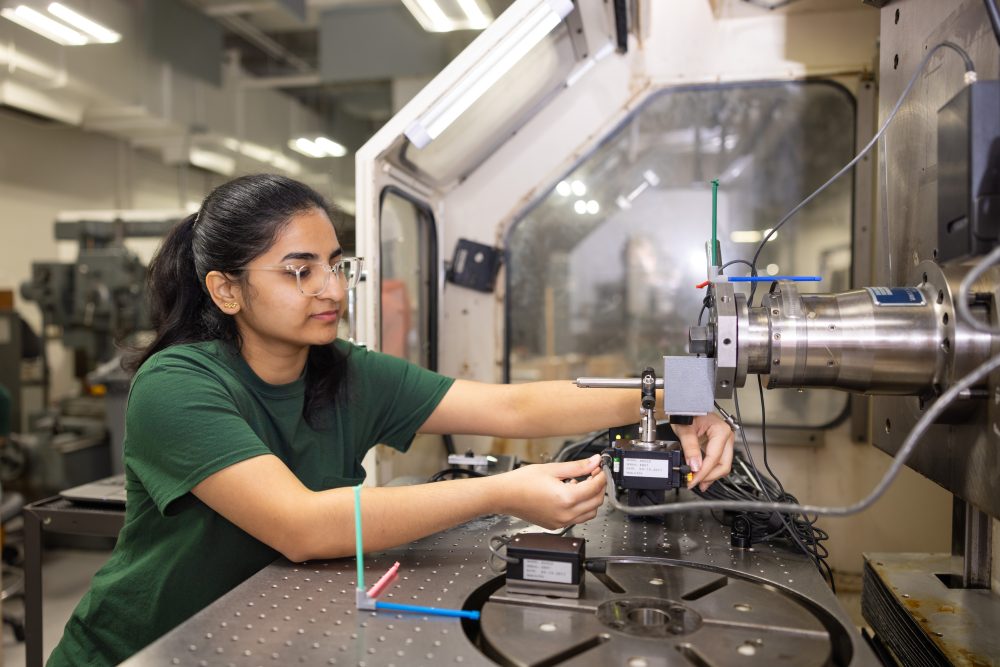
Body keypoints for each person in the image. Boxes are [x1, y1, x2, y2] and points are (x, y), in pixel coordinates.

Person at [48, 174, 734, 665]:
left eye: (335, 264)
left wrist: (686, 394)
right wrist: (505, 490)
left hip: (248, 639)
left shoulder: (345, 372)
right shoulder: (177, 383)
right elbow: (301, 525)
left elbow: (509, 404)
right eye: (299, 270)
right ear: (226, 289)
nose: (331, 288)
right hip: (141, 648)